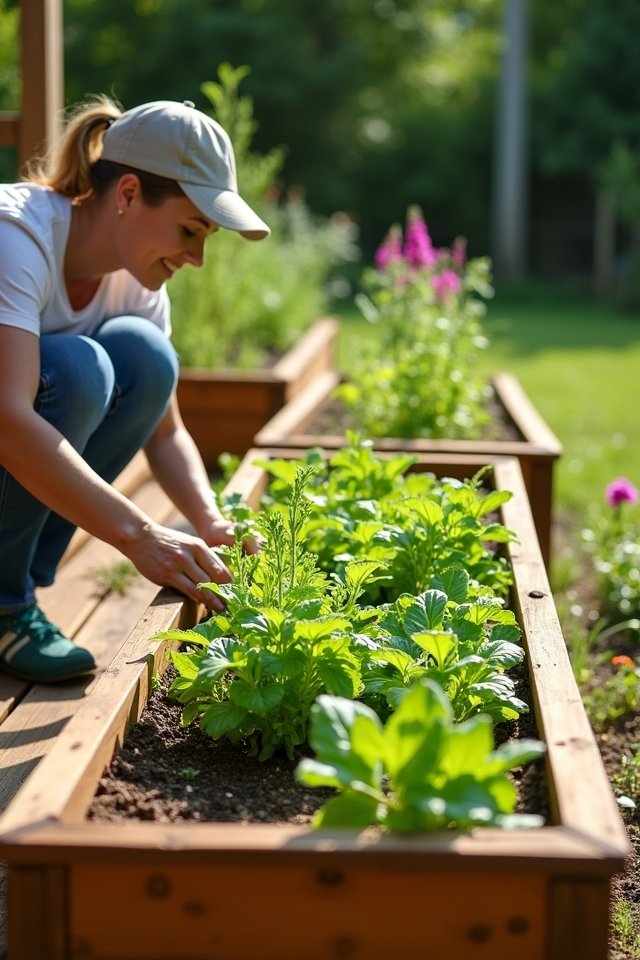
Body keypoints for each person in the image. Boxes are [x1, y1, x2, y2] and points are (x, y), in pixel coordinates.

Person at [0, 96, 270, 684]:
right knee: (79, 370)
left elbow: (165, 427)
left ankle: (12, 583)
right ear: (126, 194)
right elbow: (7, 418)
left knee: (147, 357)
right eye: (189, 230)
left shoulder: (138, 279)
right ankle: (5, 604)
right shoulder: (15, 235)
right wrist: (139, 535)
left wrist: (210, 520)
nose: (196, 258)